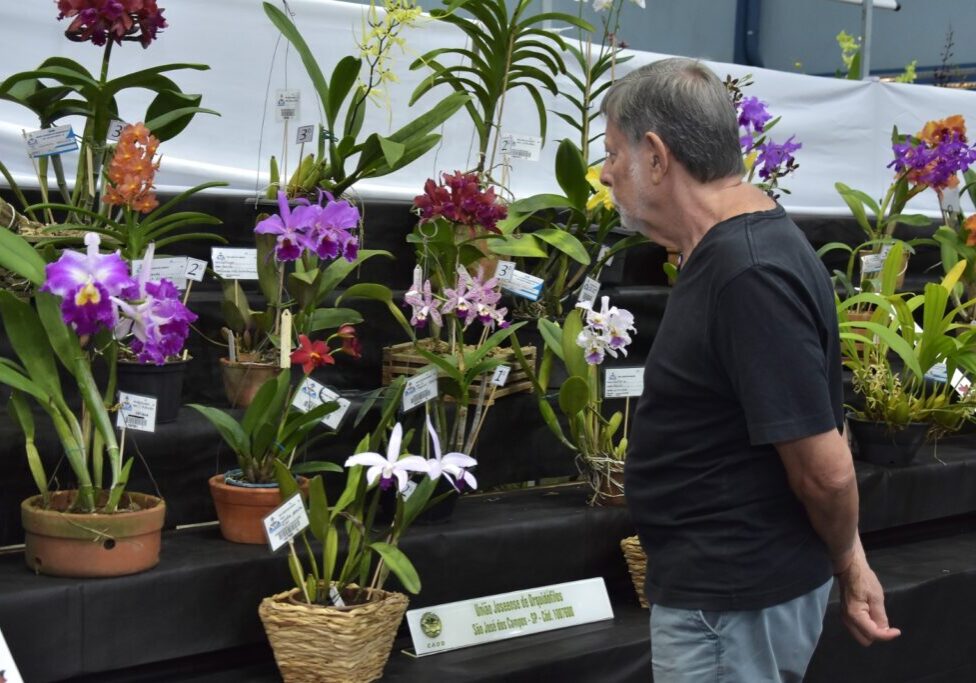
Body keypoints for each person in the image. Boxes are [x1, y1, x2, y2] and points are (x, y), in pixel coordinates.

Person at [600, 58, 901, 682]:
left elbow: (825, 469)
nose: (604, 175)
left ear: (656, 157)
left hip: (731, 605)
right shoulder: (739, 253)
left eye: (611, 153)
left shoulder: (749, 273)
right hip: (731, 597)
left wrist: (849, 558)